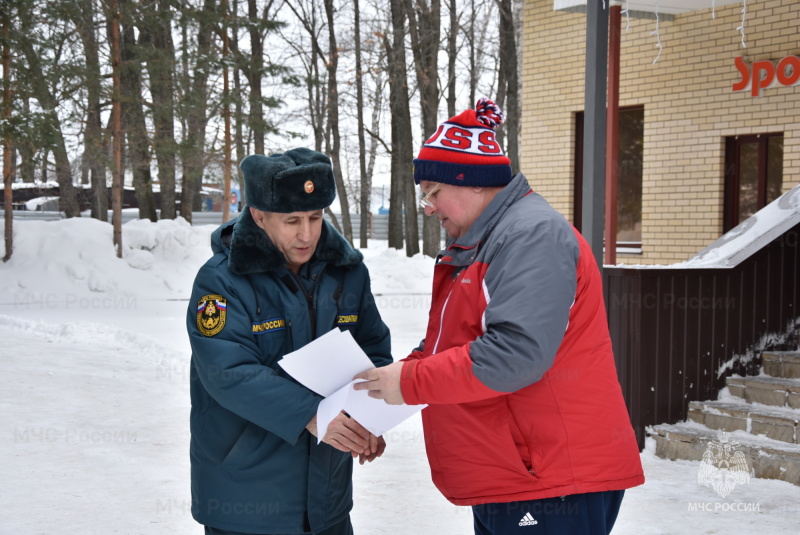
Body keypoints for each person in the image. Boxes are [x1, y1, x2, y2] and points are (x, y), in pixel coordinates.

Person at [354, 99, 645, 534]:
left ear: (473, 183)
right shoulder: (485, 241)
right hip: (515, 472)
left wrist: (410, 383)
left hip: (550, 479)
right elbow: (452, 346)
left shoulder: (532, 237)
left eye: (433, 192)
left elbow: (515, 355)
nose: (428, 207)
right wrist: (385, 387)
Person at [187, 148, 392, 535]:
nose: (307, 234)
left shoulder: (347, 272)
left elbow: (373, 349)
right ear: (258, 216)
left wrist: (367, 419)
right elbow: (229, 373)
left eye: (315, 218)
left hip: (327, 501)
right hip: (245, 501)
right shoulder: (222, 281)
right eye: (293, 220)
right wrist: (313, 416)